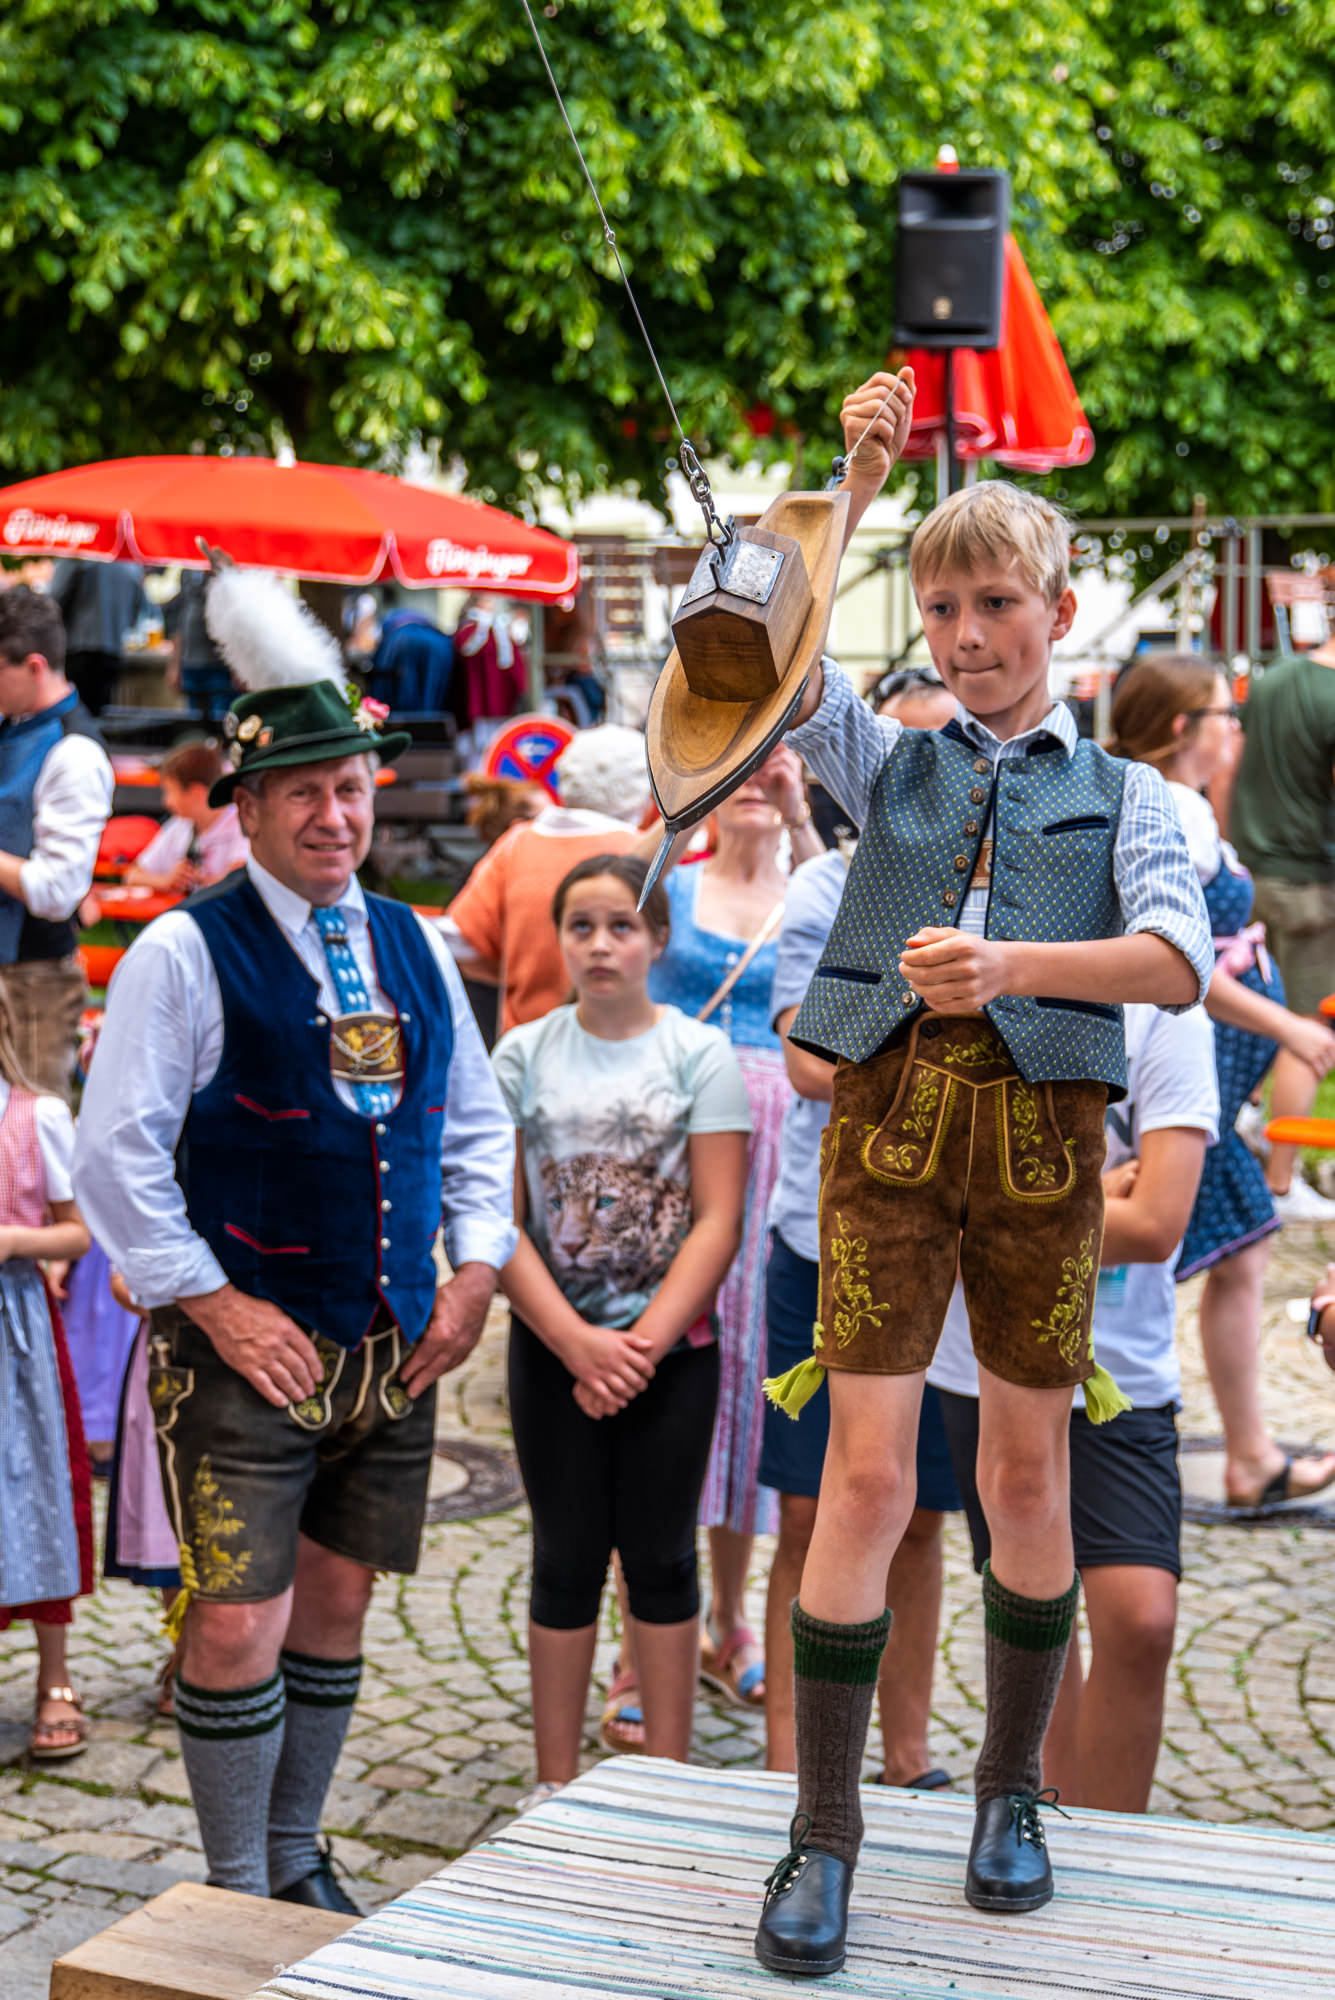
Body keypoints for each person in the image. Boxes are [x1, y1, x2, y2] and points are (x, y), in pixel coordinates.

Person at [751, 377, 1213, 1979]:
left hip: (1039, 1156)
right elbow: (760, 650)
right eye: (939, 608)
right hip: (880, 1145)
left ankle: (1009, 1792)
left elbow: (1172, 966)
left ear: (1056, 613)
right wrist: (851, 486)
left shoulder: (1134, 795)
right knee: (863, 1482)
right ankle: (821, 1833)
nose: (961, 636)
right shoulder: (881, 761)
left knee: (1024, 1481)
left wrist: (1011, 963)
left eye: (993, 605)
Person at [72, 566, 517, 1910]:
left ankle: (293, 1852)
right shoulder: (183, 952)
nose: (336, 815)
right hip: (242, 1348)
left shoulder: (416, 942)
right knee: (234, 1616)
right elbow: (115, 1159)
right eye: (306, 793)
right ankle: (229, 1890)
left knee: (335, 1601)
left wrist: (474, 1273)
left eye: (353, 789)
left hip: (390, 1340)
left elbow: (473, 1126)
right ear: (250, 808)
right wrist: (214, 1304)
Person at [493, 854, 750, 1806]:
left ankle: (666, 1786)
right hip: (552, 1348)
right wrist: (574, 1342)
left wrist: (638, 1346)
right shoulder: (521, 1054)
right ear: (559, 940)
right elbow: (498, 1220)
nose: (600, 945)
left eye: (622, 926)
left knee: (661, 1557)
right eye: (581, 926)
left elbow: (718, 1218)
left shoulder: (699, 1053)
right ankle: (553, 1781)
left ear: (657, 941)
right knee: (563, 1558)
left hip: (670, 1356)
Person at [931, 999, 1217, 1812]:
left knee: (1140, 1618)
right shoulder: (974, 993)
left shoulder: (1166, 1012)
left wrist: (1008, 1210)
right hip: (983, 1363)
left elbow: (1156, 1223)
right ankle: (1041, 1819)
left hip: (1118, 1369)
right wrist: (1092, 1193)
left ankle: (1112, 1840)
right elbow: (932, 1217)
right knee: (1034, 1619)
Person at [1110, 656, 1335, 1508]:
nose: (1233, 729)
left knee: (1231, 1246)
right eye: (1222, 714)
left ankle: (1241, 1452)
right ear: (1183, 728)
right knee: (1218, 1239)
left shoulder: (1183, 805)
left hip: (1200, 1088)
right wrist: (1283, 1025)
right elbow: (1182, 961)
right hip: (1184, 1088)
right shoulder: (1168, 807)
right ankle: (1227, 1452)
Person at [761, 837, 961, 1785]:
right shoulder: (826, 883)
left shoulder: (1012, 879)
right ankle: (788, 1764)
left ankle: (905, 1756)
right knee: (809, 1512)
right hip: (825, 1235)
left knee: (916, 1515)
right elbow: (807, 1057)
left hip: (953, 1240)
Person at [642, 746, 823, 1722]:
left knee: (752, 1374)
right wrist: (683, 797)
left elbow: (854, 919)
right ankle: (644, 1629)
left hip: (783, 1153)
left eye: (771, 762)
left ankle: (732, 1617)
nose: (755, 780)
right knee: (670, 1366)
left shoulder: (812, 880)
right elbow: (617, 910)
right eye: (738, 769)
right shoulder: (673, 879)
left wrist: (797, 815)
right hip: (679, 1141)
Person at [0, 993, 95, 1760]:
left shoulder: (38, 1118)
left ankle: (54, 1676)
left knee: (36, 1490)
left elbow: (78, 1232)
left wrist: (12, 1240)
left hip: (14, 1328)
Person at [440, 725, 650, 1035]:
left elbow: (462, 942)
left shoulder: (519, 843)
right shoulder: (646, 851)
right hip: (620, 1039)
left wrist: (516, 966)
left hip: (526, 1041)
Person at [1229, 630, 1335, 1218]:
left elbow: (1231, 766)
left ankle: (1245, 1126)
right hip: (1308, 883)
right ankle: (1280, 1183)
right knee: (1307, 1030)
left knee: (1254, 1013)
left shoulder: (1273, 682)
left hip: (1250, 873)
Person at [0, 586, 113, 1100]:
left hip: (33, 984)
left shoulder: (75, 753)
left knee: (30, 1134)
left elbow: (57, 891)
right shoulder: (13, 723)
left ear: (35, 666)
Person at [123, 740, 249, 893]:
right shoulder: (181, 825)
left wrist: (202, 881)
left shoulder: (241, 825)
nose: (166, 802)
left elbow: (240, 881)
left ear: (196, 793)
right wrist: (168, 881)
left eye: (170, 791)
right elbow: (132, 875)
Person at [49, 558, 146, 716]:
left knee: (75, 715)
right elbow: (138, 609)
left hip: (79, 647)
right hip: (113, 649)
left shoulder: (78, 557)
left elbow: (53, 601)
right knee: (100, 713)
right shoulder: (131, 565)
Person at [164, 569, 236, 725]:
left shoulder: (227, 571)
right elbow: (180, 619)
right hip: (191, 663)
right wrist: (175, 665)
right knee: (194, 725)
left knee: (221, 724)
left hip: (220, 666)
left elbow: (236, 620)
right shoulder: (188, 570)